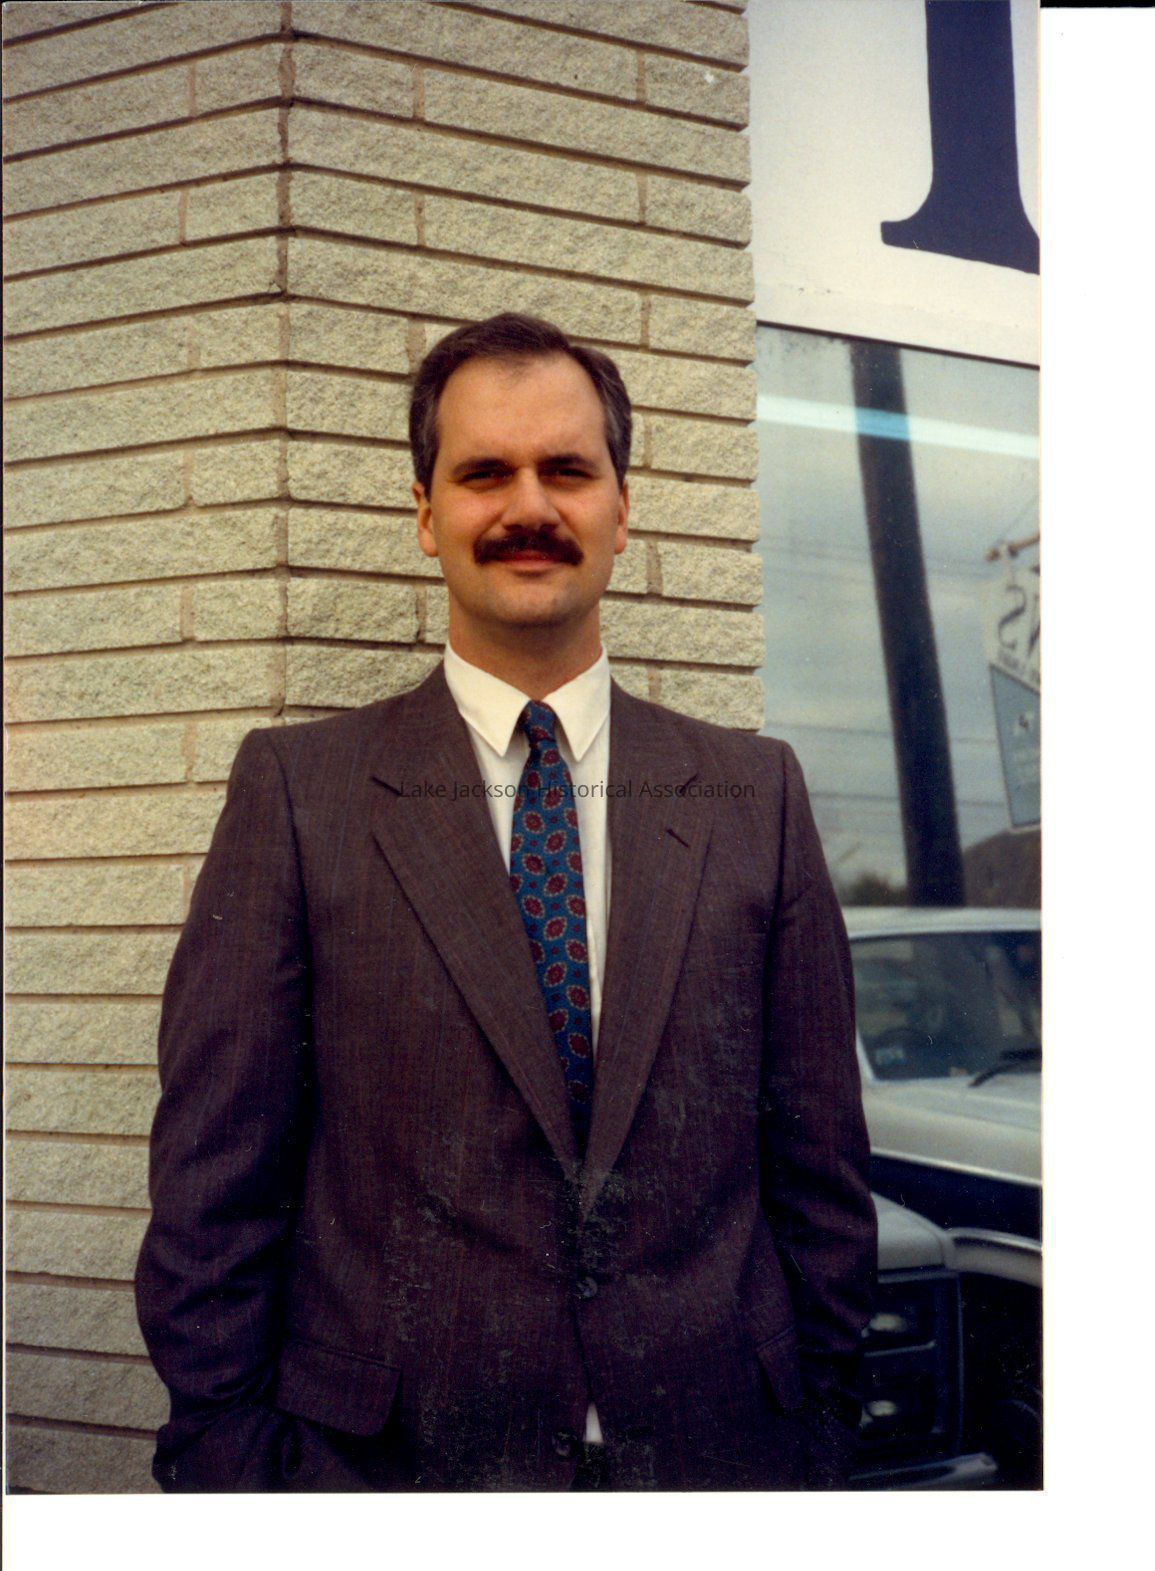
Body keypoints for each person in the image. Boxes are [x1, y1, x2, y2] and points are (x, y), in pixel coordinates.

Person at [136, 312, 876, 1492]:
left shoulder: (756, 795)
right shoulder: (299, 794)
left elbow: (821, 1170)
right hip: (381, 1478)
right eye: (485, 472)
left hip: (722, 1465)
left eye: (567, 469)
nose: (529, 506)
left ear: (621, 509)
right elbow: (214, 1186)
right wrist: (236, 1469)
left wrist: (820, 1442)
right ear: (426, 514)